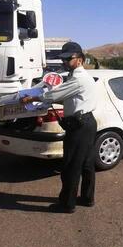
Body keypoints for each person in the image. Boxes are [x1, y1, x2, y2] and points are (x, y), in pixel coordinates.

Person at [20, 42, 97, 213]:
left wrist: (31, 99)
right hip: (88, 123)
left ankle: (67, 204)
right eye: (63, 59)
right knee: (87, 164)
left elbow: (53, 94)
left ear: (80, 59)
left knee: (71, 166)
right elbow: (67, 98)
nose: (65, 62)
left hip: (79, 126)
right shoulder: (80, 77)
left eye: (69, 59)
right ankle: (87, 198)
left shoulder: (78, 78)